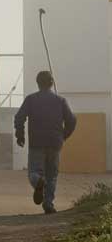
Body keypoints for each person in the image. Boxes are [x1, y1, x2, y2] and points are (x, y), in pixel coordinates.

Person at [14, 71, 77, 214]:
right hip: (55, 143)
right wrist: (63, 136)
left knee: (34, 172)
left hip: (37, 143)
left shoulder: (31, 99)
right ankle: (48, 204)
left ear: (37, 83)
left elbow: (19, 118)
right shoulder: (60, 101)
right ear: (52, 83)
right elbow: (72, 120)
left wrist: (20, 135)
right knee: (52, 175)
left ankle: (38, 182)